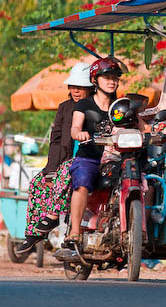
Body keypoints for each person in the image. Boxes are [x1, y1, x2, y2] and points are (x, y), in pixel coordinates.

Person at [17, 63, 93, 254]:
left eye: (80, 87)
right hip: (64, 160)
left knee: (66, 170)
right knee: (37, 183)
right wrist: (50, 170)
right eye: (73, 86)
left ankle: (52, 216)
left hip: (86, 159)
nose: (76, 90)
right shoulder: (65, 107)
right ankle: (33, 233)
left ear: (91, 87)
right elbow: (56, 140)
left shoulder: (98, 105)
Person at [65, 57, 122, 245]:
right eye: (107, 77)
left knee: (141, 179)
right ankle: (74, 231)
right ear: (95, 80)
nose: (112, 81)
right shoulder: (84, 105)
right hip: (89, 157)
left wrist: (155, 130)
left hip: (116, 157)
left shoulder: (121, 105)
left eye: (115, 77)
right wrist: (79, 134)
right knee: (81, 183)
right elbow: (74, 128)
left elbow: (140, 125)